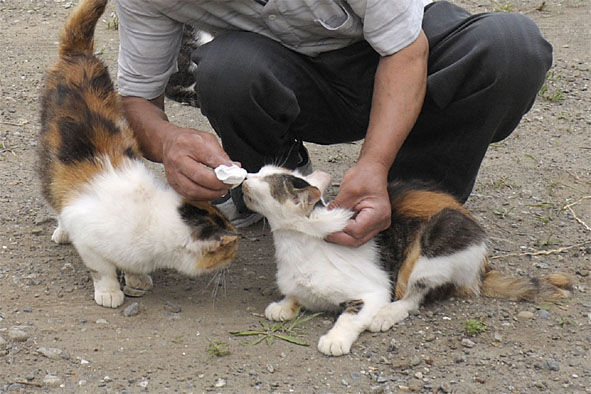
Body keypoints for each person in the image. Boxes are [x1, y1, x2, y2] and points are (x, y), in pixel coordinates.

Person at [116, 0, 552, 247]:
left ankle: (409, 205)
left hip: (404, 57)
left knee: (510, 48)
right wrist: (170, 142)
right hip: (292, 77)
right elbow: (137, 99)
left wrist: (375, 165)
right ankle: (280, 190)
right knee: (227, 71)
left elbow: (404, 52)